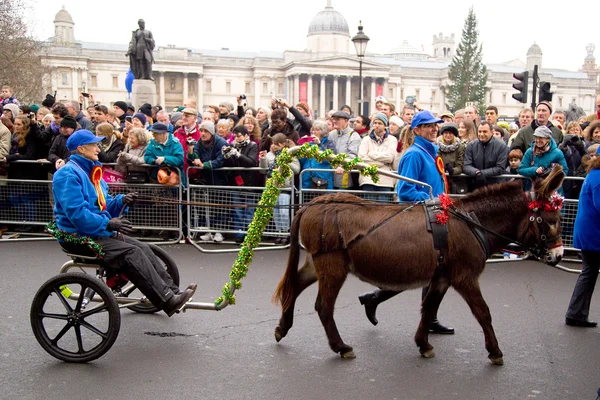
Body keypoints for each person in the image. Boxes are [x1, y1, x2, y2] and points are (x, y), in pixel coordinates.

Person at [52, 130, 195, 316]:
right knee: (131, 252)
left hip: (95, 231)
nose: (98, 148)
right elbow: (77, 215)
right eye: (94, 145)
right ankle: (167, 300)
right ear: (81, 148)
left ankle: (173, 292)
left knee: (142, 247)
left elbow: (103, 205)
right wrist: (109, 224)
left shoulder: (92, 172)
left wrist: (121, 200)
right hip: (77, 236)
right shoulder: (68, 174)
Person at [358, 110, 454, 334]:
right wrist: (433, 200)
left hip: (434, 215)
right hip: (420, 219)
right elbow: (405, 191)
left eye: (435, 125)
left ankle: (377, 299)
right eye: (428, 125)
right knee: (428, 271)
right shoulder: (414, 155)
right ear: (417, 130)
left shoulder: (431, 153)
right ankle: (381, 301)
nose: (434, 129)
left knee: (434, 271)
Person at [565, 145, 600, 328]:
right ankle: (576, 313)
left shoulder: (593, 174)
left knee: (589, 272)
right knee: (589, 272)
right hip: (594, 233)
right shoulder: (598, 177)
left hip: (589, 231)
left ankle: (576, 313)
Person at [259, 133, 300, 245]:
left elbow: (296, 169)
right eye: (272, 143)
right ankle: (279, 232)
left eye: (276, 144)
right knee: (275, 212)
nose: (274, 146)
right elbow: (263, 170)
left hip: (285, 187)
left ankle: (286, 233)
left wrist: (286, 161)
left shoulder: (290, 154)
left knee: (283, 211)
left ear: (283, 145)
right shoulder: (269, 155)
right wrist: (263, 159)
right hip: (272, 187)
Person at [222, 125, 259, 243]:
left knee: (249, 211)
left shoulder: (252, 146)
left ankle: (249, 235)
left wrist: (238, 154)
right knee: (237, 210)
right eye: (235, 136)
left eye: (239, 136)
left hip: (249, 183)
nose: (237, 139)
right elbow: (231, 164)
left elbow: (251, 162)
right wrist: (227, 156)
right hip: (236, 182)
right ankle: (239, 234)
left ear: (246, 135)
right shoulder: (233, 145)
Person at [358, 113, 397, 203]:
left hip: (386, 179)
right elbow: (362, 157)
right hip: (368, 179)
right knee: (369, 208)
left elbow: (390, 157)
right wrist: (381, 163)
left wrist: (371, 154)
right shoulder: (366, 140)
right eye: (375, 123)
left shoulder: (392, 140)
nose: (377, 125)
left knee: (383, 209)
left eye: (380, 123)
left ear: (385, 126)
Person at [517, 125, 568, 193]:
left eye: (541, 138)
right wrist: (535, 170)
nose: (538, 140)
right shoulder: (530, 152)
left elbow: (564, 171)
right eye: (536, 138)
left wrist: (551, 172)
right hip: (533, 190)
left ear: (547, 139)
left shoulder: (557, 153)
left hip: (551, 191)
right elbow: (521, 169)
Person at [463, 121, 509, 191]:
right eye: (480, 131)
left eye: (485, 132)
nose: (481, 134)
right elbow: (466, 165)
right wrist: (476, 172)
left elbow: (500, 167)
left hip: (495, 186)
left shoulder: (501, 146)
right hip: (476, 185)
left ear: (492, 132)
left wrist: (482, 173)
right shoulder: (471, 145)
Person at [329, 110, 360, 189]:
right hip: (330, 176)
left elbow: (353, 155)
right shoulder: (331, 134)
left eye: (338, 119)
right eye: (334, 119)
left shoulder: (354, 136)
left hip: (345, 176)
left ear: (346, 121)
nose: (334, 121)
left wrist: (342, 167)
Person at [436, 122, 467, 194]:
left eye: (450, 133)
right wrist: (442, 168)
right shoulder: (437, 146)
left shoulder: (460, 147)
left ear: (454, 135)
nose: (448, 135)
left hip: (455, 180)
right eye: (446, 133)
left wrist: (452, 170)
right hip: (441, 179)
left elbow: (460, 165)